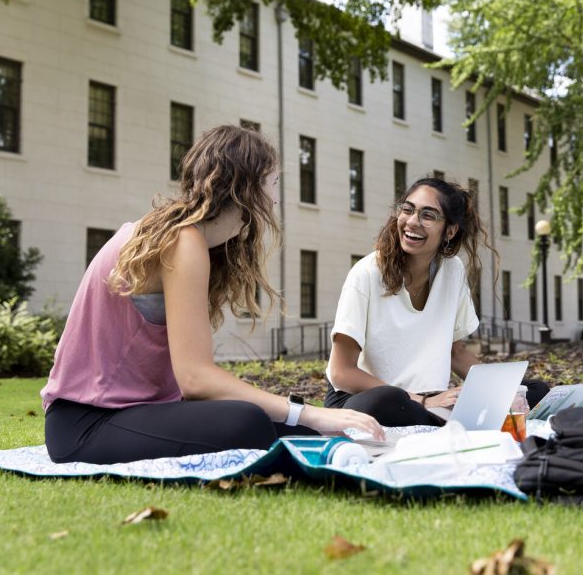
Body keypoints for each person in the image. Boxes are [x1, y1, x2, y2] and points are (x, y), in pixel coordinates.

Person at [41, 125, 382, 464]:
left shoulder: (182, 236)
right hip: (86, 425)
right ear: (246, 187)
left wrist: (308, 420)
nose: (276, 198)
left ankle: (323, 446)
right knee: (247, 421)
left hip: (138, 412)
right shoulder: (180, 240)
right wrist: (310, 413)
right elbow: (195, 379)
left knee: (276, 421)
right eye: (273, 183)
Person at [325, 177, 549, 427]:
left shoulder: (452, 271)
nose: (412, 221)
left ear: (450, 230)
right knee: (389, 401)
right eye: (407, 210)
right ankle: (442, 419)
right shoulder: (366, 273)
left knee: (534, 391)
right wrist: (421, 402)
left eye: (428, 215)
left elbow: (456, 352)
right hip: (365, 400)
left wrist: (503, 392)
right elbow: (341, 372)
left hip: (425, 400)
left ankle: (444, 419)